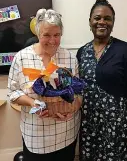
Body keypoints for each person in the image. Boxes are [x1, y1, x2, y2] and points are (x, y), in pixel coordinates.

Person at [8, 8, 81, 161]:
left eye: (57, 35)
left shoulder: (70, 58)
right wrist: (32, 102)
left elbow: (78, 93)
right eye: (46, 35)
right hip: (36, 138)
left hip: (66, 134)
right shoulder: (22, 58)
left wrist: (72, 107)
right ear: (38, 34)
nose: (52, 40)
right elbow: (13, 93)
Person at [77, 0, 127, 161]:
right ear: (90, 21)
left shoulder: (125, 50)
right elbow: (77, 88)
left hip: (118, 125)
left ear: (113, 23)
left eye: (108, 18)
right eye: (97, 18)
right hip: (89, 125)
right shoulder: (82, 52)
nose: (102, 22)